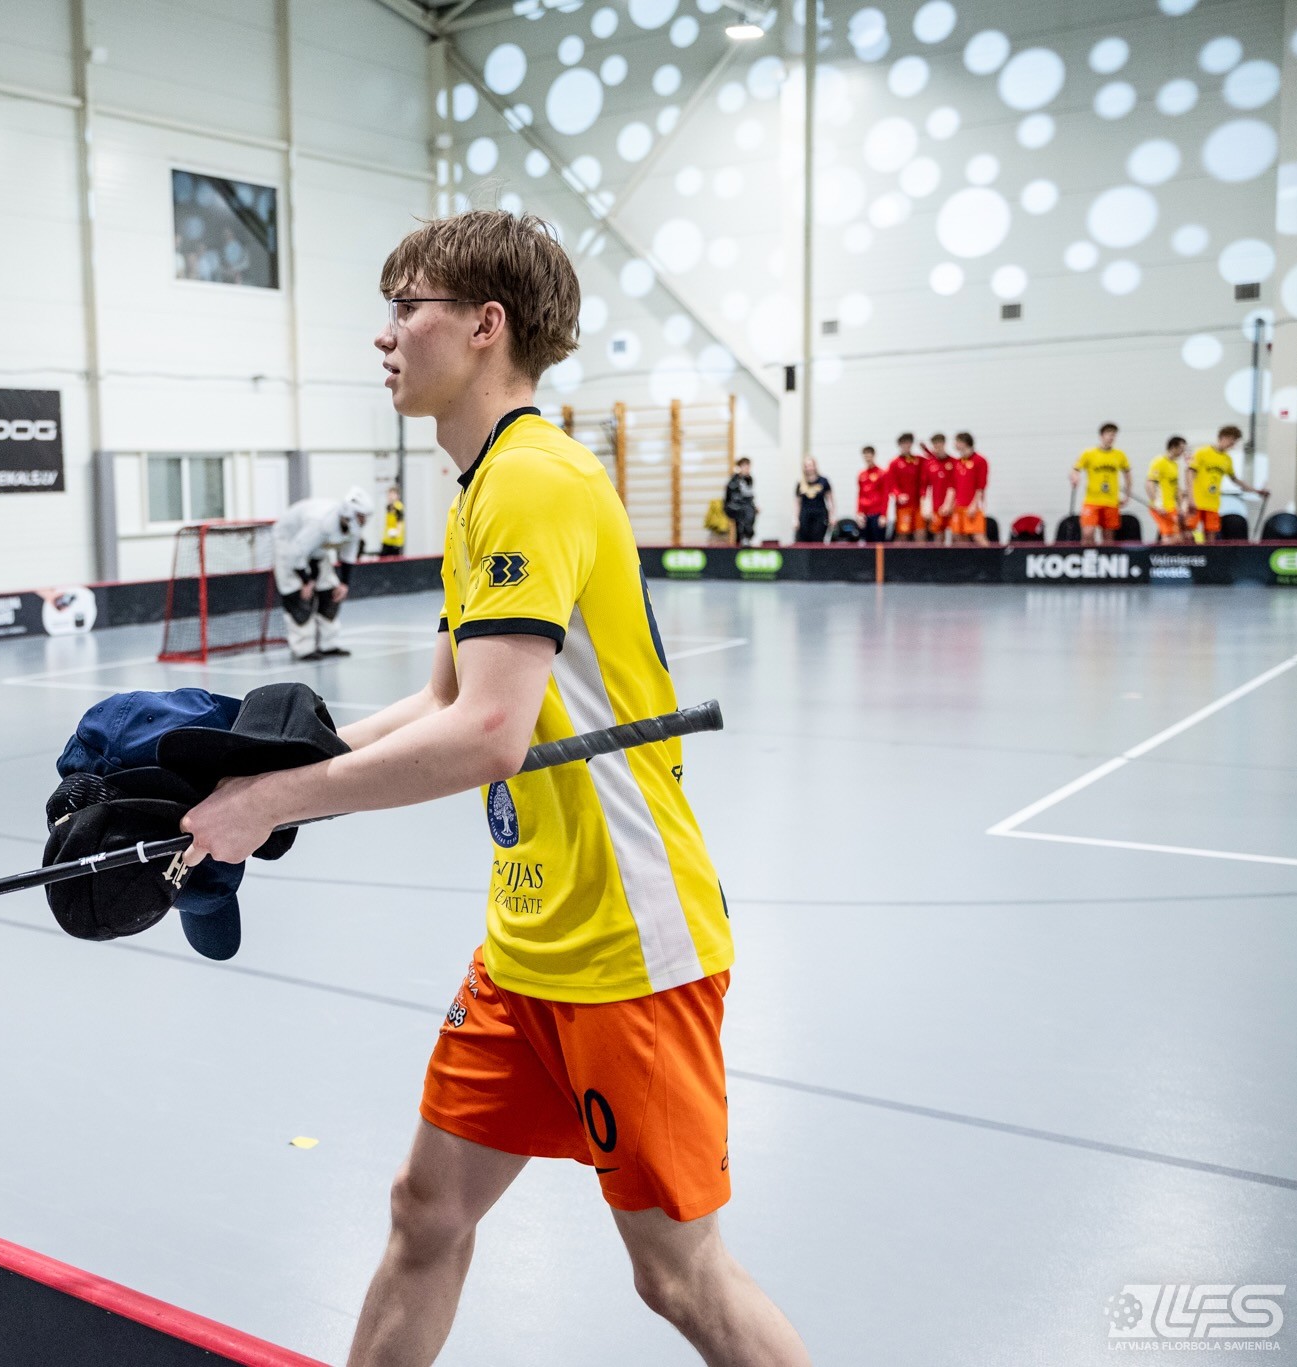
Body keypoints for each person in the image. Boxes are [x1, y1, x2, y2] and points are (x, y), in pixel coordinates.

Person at [181, 209, 809, 1367]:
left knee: (678, 1275)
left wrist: (272, 807)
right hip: (526, 939)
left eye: (403, 306)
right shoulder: (477, 489)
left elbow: (485, 737)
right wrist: (264, 770)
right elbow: (439, 699)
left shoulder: (530, 479)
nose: (383, 335)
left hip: (627, 940)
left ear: (483, 325)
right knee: (426, 1210)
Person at [272, 488, 373, 660]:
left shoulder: (352, 527)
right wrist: (306, 581)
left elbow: (348, 556)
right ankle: (303, 648)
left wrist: (344, 583)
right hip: (289, 542)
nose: (364, 521)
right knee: (298, 595)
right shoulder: (319, 523)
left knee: (330, 591)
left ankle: (328, 644)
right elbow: (297, 552)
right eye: (361, 516)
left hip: (315, 547)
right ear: (350, 513)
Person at [1187, 425, 1271, 543]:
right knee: (1188, 532)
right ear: (1223, 437)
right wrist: (1191, 497)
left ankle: (1210, 555)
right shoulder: (1202, 452)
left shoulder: (1226, 459)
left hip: (1212, 503)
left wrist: (1256, 491)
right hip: (1197, 501)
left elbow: (1235, 480)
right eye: (1231, 440)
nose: (1232, 444)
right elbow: (1189, 473)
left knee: (1211, 536)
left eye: (1234, 442)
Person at [1071, 423, 1131, 545]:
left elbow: (1127, 475)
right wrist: (1075, 477)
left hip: (1111, 501)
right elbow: (1075, 470)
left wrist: (1127, 495)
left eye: (1113, 435)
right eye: (1109, 434)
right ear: (1101, 436)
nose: (1111, 437)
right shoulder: (1088, 453)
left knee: (1108, 537)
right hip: (1092, 500)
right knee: (1088, 533)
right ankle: (1088, 555)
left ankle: (1106, 556)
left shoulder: (1120, 455)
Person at [950, 432, 990, 545]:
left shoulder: (979, 460)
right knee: (959, 536)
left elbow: (981, 486)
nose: (955, 444)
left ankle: (990, 556)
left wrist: (974, 504)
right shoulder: (958, 462)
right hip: (959, 505)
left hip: (973, 505)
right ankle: (967, 557)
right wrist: (951, 503)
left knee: (978, 536)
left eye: (957, 442)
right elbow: (954, 486)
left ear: (964, 443)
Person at [1146, 436, 1188, 544]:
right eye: (1181, 448)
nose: (1182, 452)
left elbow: (1175, 487)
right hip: (1161, 507)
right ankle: (1164, 554)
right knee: (1169, 537)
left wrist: (1180, 505)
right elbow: (1150, 483)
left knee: (1179, 537)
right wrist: (1157, 504)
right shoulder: (1159, 461)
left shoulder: (1175, 464)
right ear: (1173, 447)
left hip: (1172, 506)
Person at [886, 432, 925, 542]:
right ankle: (899, 553)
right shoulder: (894, 463)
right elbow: (891, 484)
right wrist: (898, 495)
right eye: (904, 443)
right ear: (900, 445)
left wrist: (925, 449)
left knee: (920, 532)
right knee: (903, 533)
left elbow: (935, 461)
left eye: (909, 443)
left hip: (917, 504)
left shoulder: (918, 460)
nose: (906, 446)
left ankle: (921, 553)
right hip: (903, 506)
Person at [794, 456, 833, 543]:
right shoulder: (800, 483)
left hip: (820, 515)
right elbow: (797, 503)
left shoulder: (823, 481)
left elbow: (830, 500)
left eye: (810, 465)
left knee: (817, 540)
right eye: (806, 466)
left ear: (815, 466)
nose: (809, 468)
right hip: (805, 515)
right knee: (803, 540)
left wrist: (832, 516)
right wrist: (795, 519)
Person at [854, 445, 889, 543]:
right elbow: (860, 494)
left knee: (878, 543)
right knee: (865, 543)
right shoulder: (862, 474)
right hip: (865, 515)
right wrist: (859, 513)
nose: (868, 458)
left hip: (877, 514)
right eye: (865, 456)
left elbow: (885, 495)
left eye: (869, 455)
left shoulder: (882, 473)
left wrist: (884, 515)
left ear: (873, 455)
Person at [723, 457, 757, 545]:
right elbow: (732, 497)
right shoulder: (734, 480)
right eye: (744, 466)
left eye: (748, 466)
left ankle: (746, 537)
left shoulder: (749, 479)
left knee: (750, 511)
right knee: (745, 512)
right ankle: (743, 538)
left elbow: (749, 496)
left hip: (744, 506)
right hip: (732, 506)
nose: (747, 469)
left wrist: (754, 506)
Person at [379, 483, 407, 557]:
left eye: (392, 494)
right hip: (387, 540)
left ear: (397, 496)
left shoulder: (398, 508)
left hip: (395, 541)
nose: (390, 496)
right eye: (389, 494)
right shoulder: (388, 507)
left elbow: (400, 522)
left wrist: (396, 532)